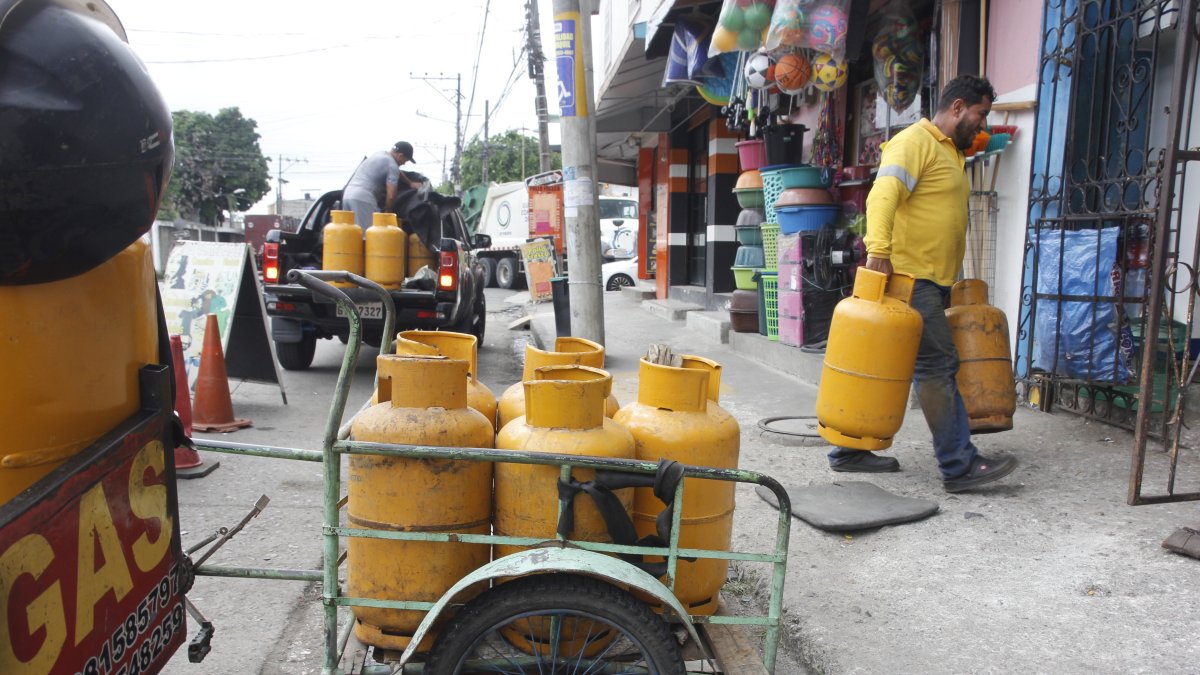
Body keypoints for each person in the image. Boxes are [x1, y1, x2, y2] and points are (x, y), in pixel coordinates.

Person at [827, 74, 1019, 493]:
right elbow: (882, 194)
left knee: (885, 365)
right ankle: (959, 465)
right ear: (957, 107)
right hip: (912, 279)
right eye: (980, 114)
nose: (982, 124)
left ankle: (849, 450)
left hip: (931, 278)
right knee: (937, 366)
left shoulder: (950, 151)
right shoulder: (914, 142)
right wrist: (878, 251)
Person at [342, 141, 418, 231]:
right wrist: (387, 213)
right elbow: (391, 196)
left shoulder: (379, 154)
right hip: (363, 199)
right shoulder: (392, 165)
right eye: (405, 160)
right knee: (372, 234)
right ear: (400, 156)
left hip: (347, 196)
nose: (404, 163)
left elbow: (396, 171)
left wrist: (410, 183)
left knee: (351, 234)